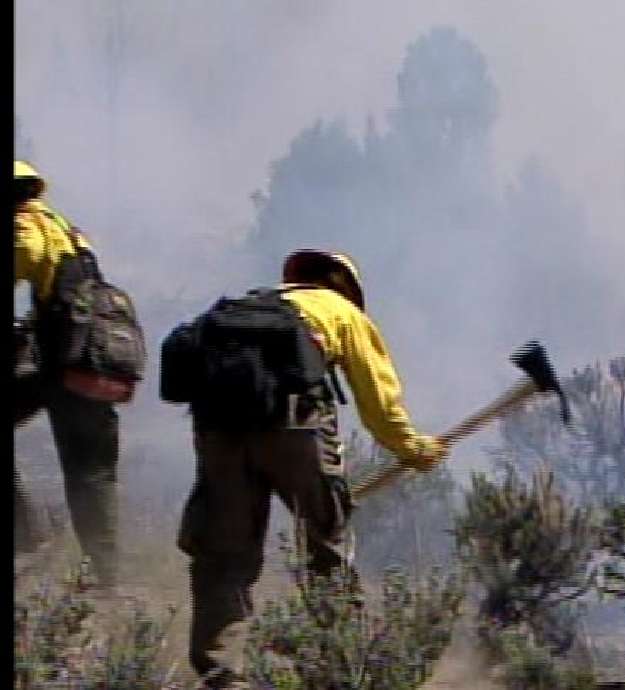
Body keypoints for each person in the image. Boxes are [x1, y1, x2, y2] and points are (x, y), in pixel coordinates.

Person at [170, 249, 449, 687]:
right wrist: (414, 449)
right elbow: (379, 405)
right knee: (326, 547)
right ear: (345, 287)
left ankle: (222, 675)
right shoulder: (341, 313)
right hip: (295, 427)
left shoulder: (245, 307)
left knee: (223, 558)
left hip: (217, 430)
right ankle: (338, 665)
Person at [13, 160, 122, 586]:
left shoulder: (24, 227)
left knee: (87, 466)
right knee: (93, 468)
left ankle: (33, 539)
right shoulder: (63, 229)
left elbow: (24, 259)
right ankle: (100, 566)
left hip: (66, 365)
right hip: (87, 360)